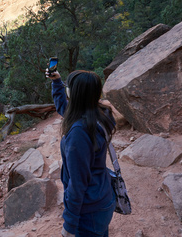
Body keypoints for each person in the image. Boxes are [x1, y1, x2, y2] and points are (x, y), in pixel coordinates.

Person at [46, 68, 116, 237]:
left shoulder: (79, 133)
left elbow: (78, 184)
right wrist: (57, 82)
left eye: (67, 86)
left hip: (88, 210)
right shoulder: (101, 115)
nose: (66, 87)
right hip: (103, 198)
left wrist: (69, 225)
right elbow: (67, 110)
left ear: (75, 93)